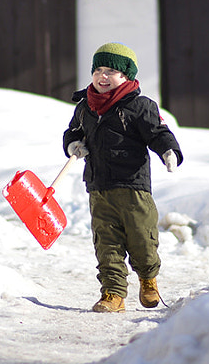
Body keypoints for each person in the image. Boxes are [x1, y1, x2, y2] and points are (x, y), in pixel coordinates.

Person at [62, 43, 183, 313]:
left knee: (142, 238)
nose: (103, 77)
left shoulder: (140, 106)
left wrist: (169, 151)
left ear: (126, 76)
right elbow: (73, 131)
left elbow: (158, 132)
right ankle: (113, 293)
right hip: (99, 187)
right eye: (98, 70)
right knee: (106, 242)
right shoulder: (85, 107)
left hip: (133, 187)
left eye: (111, 71)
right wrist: (73, 145)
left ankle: (148, 280)